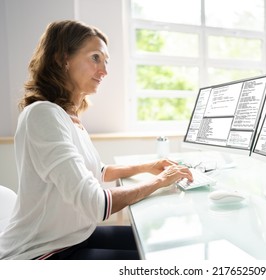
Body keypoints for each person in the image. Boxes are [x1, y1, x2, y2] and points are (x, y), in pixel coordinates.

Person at [0, 20, 193, 260]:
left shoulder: (67, 116)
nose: (104, 71)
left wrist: (147, 167)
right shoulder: (42, 115)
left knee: (162, 244)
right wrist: (160, 182)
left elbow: (96, 171)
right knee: (161, 260)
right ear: (63, 59)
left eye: (105, 61)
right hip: (41, 253)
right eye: (95, 58)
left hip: (74, 237)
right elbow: (96, 203)